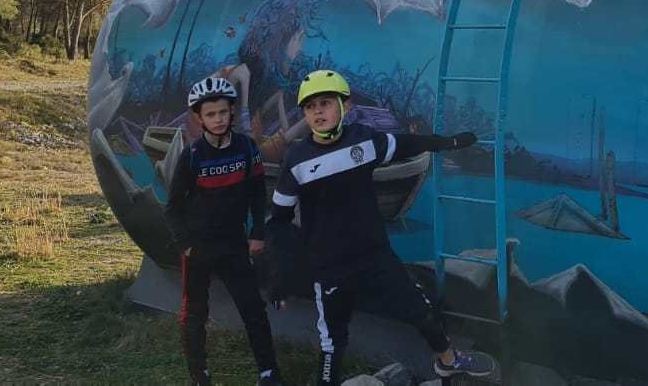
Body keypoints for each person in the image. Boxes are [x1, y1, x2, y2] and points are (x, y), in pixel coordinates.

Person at [267, 70, 496, 383]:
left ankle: (448, 360)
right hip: (328, 266)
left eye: (325, 103)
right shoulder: (296, 158)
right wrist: (279, 275)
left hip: (375, 256)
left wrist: (447, 142)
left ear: (344, 107)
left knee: (420, 310)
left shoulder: (363, 139)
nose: (318, 112)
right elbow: (279, 221)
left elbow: (405, 144)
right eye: (309, 107)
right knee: (332, 342)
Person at [164, 77, 284, 386]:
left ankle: (269, 373)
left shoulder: (246, 148)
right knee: (194, 314)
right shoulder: (192, 156)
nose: (217, 120)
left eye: (222, 112)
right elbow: (173, 207)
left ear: (232, 112)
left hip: (234, 245)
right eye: (210, 114)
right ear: (199, 118)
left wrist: (257, 232)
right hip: (199, 249)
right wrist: (186, 245)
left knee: (253, 309)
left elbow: (258, 194)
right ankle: (199, 375)